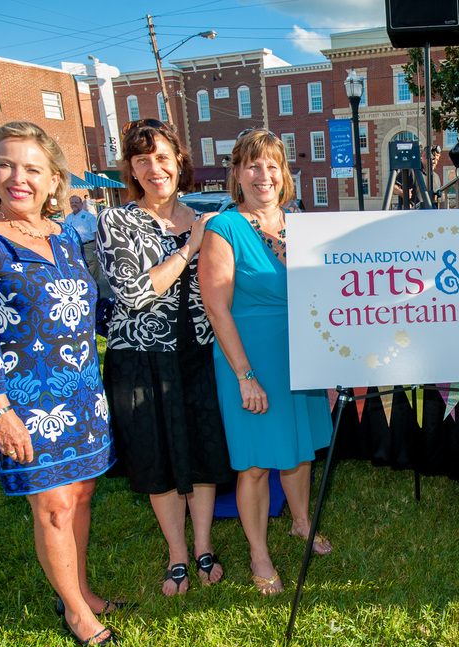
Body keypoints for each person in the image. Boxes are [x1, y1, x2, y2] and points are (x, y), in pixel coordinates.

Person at [0, 121, 118, 647]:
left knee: (81, 495)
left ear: (54, 179)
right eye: (6, 165)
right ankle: (78, 616)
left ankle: (78, 592)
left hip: (81, 390)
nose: (19, 178)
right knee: (53, 505)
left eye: (32, 168)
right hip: (23, 400)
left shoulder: (62, 235)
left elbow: (88, 307)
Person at [96, 119, 234, 596]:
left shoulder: (203, 216)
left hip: (197, 354)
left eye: (161, 157)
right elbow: (132, 293)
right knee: (156, 456)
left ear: (179, 160)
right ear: (130, 170)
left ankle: (202, 545)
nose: (154, 168)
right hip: (141, 358)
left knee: (200, 451)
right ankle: (176, 552)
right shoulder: (116, 221)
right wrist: (190, 248)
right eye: (141, 160)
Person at [199, 129, 333, 597]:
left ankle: (300, 521)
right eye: (253, 165)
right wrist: (245, 376)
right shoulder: (223, 227)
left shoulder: (300, 223)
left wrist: (330, 361)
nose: (264, 175)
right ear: (236, 173)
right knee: (255, 464)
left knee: (299, 448)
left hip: (301, 355)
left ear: (285, 174)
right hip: (250, 358)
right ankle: (258, 553)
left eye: (272, 165)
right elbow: (217, 308)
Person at [65, 195, 105, 296]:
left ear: (81, 204)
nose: (74, 204)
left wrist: (97, 247)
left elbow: (96, 233)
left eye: (76, 202)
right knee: (78, 267)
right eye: (72, 203)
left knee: (92, 267)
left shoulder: (89, 217)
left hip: (88, 246)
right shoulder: (68, 218)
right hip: (74, 246)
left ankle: (93, 290)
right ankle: (81, 289)